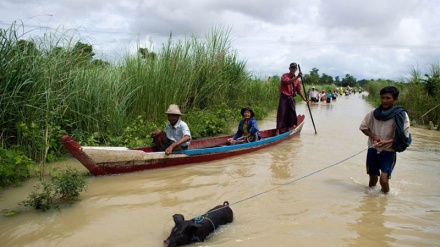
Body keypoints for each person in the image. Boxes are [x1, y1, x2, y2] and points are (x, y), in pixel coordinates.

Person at [359, 86, 411, 194]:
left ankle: (385, 199)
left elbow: (404, 136)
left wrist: (385, 142)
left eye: (388, 98)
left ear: (395, 100)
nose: (384, 101)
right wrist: (374, 136)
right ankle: (371, 203)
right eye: (382, 98)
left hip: (389, 151)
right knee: (372, 179)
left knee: (383, 180)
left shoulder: (401, 115)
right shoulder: (373, 113)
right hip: (373, 149)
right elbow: (363, 128)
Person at [276, 62, 308, 135]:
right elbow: (287, 82)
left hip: (291, 98)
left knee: (291, 114)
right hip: (284, 97)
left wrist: (304, 99)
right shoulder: (285, 75)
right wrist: (297, 77)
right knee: (281, 113)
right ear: (289, 68)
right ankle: (277, 131)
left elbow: (299, 91)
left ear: (296, 69)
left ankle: (287, 129)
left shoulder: (297, 81)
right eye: (292, 68)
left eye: (294, 68)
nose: (293, 69)